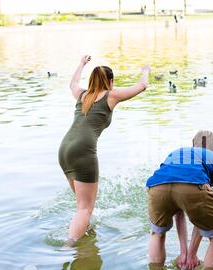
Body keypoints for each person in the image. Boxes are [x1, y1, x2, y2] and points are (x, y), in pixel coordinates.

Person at [58, 55, 151, 242]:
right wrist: (145, 71)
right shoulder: (111, 95)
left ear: (92, 80)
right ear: (110, 81)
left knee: (82, 205)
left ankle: (87, 233)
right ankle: (68, 248)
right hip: (83, 151)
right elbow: (142, 86)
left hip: (64, 149)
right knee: (85, 208)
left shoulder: (82, 95)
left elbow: (73, 83)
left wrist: (81, 63)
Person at [146, 130, 213, 270]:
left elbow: (178, 211)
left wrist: (183, 252)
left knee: (157, 233)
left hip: (156, 187)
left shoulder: (177, 153)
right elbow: (203, 214)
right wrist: (192, 254)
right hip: (193, 187)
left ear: (193, 145)